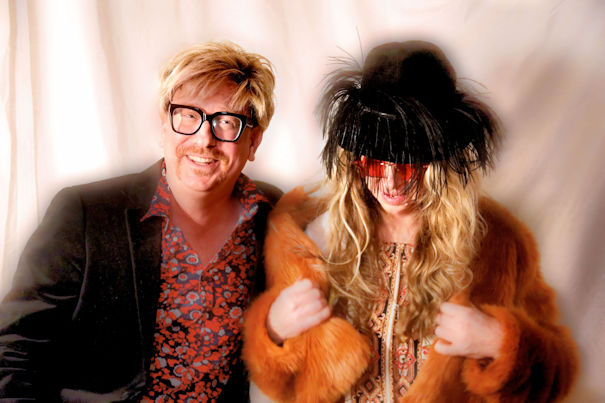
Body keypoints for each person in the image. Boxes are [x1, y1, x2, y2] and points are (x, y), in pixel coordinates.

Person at [242, 41, 578, 402]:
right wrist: (274, 331)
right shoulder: (309, 239)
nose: (391, 184)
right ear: (353, 163)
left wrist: (498, 342)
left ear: (441, 163)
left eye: (409, 165)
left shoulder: (496, 244)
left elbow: (556, 376)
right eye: (374, 164)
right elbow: (279, 383)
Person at [0, 41, 281, 401]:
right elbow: (17, 353)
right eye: (188, 115)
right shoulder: (85, 214)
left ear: (254, 140)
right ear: (164, 124)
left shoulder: (273, 215)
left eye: (227, 122)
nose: (204, 139)